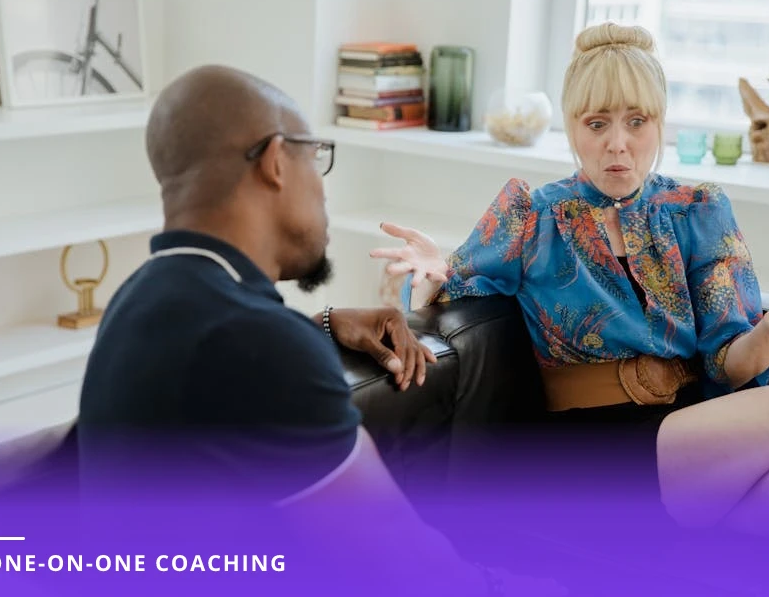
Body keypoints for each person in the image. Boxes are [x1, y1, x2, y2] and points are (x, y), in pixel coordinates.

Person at [372, 23, 769, 596]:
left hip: (689, 441)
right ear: (573, 128)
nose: (617, 143)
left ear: (659, 124)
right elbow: (443, 296)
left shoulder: (699, 212)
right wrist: (429, 271)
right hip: (593, 453)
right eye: (597, 124)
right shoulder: (532, 216)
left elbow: (726, 365)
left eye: (636, 122)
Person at [75, 64, 565, 597]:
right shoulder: (258, 345)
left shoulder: (141, 299)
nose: (325, 191)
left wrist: (322, 325)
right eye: (316, 157)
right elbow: (403, 566)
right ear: (275, 161)